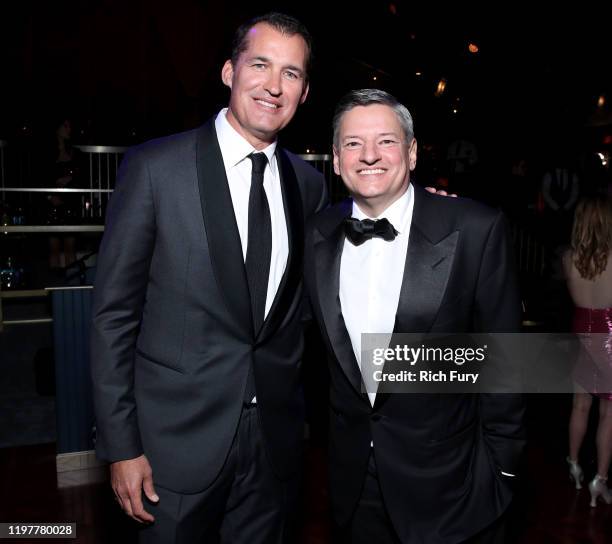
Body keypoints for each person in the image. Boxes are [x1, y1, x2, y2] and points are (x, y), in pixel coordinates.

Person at [90, 13, 327, 543]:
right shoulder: (155, 169)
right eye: (260, 64)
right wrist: (121, 445)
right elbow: (113, 317)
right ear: (228, 71)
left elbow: (308, 306)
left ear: (305, 92)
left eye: (291, 74)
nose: (273, 85)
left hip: (274, 449)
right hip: (171, 448)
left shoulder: (309, 186)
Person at [303, 89, 525, 543]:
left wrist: (501, 471)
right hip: (353, 486)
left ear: (412, 151)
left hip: (453, 485)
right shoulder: (317, 234)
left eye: (385, 141)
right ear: (337, 158)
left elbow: (508, 360)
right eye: (352, 143)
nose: (369, 155)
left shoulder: (475, 228)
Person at [563, 196, 612, 508]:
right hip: (610, 335)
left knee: (580, 406)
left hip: (581, 331)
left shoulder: (568, 258)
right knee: (609, 413)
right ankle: (601, 480)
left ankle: (575, 465)